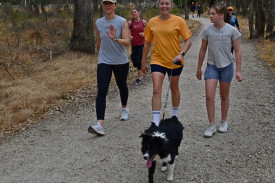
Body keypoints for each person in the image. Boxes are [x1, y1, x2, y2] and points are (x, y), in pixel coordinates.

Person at [142, 0, 192, 132]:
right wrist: (142, 62)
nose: (164, 6)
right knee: (156, 89)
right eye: (162, 3)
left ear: (171, 6)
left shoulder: (179, 21)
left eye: (167, 4)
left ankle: (174, 116)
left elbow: (188, 41)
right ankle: (155, 122)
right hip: (157, 60)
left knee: (174, 88)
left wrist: (181, 54)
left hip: (174, 61)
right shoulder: (152, 22)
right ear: (158, 5)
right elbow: (147, 43)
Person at [196, 3, 243, 138]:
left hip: (226, 66)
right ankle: (211, 124)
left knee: (224, 96)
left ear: (221, 15)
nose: (210, 16)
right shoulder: (207, 31)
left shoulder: (232, 30)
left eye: (213, 14)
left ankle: (223, 122)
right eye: (210, 13)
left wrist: (238, 71)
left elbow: (238, 51)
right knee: (210, 96)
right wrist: (199, 68)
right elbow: (203, 49)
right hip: (212, 66)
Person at [88, 0, 130, 136]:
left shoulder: (122, 21)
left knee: (122, 85)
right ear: (103, 5)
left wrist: (115, 39)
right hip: (104, 61)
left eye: (110, 3)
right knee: (102, 90)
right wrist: (100, 56)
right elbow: (98, 42)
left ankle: (124, 108)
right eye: (105, 3)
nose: (108, 6)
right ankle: (100, 124)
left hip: (120, 61)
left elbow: (127, 42)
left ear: (115, 5)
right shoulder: (98, 23)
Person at [128, 8, 147, 86]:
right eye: (132, 12)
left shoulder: (144, 22)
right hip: (134, 44)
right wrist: (129, 36)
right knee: (134, 61)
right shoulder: (130, 22)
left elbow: (150, 31)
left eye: (135, 12)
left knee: (138, 61)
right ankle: (141, 65)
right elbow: (125, 31)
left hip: (142, 44)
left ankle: (139, 78)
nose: (133, 14)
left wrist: (144, 34)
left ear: (139, 12)